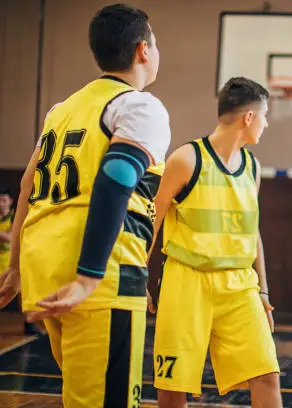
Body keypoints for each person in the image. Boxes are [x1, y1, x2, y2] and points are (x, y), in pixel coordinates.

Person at [0, 4, 170, 407]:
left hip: (45, 269)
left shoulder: (61, 111)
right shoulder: (139, 106)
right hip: (96, 273)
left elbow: (28, 185)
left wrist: (15, 266)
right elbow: (116, 180)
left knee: (81, 395)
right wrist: (90, 276)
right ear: (143, 50)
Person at [149, 77, 282, 408]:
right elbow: (152, 220)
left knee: (267, 375)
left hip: (239, 286)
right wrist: (137, 276)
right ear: (248, 118)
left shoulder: (253, 167)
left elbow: (253, 231)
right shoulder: (186, 159)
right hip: (186, 281)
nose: (266, 125)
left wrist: (263, 291)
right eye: (264, 117)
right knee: (173, 386)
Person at [0, 187, 42, 336]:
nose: (1, 204)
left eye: (3, 200)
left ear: (10, 202)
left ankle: (29, 322)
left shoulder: (14, 217)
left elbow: (11, 238)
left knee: (23, 292)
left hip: (13, 262)